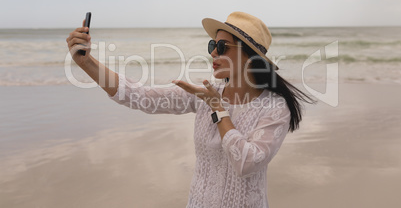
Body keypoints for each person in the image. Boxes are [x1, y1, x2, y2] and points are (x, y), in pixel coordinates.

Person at [66, 11, 314, 208]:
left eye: (222, 46)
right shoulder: (205, 93)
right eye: (212, 46)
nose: (213, 53)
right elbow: (140, 96)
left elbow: (248, 162)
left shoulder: (273, 107)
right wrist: (86, 62)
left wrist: (218, 109)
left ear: (251, 57)